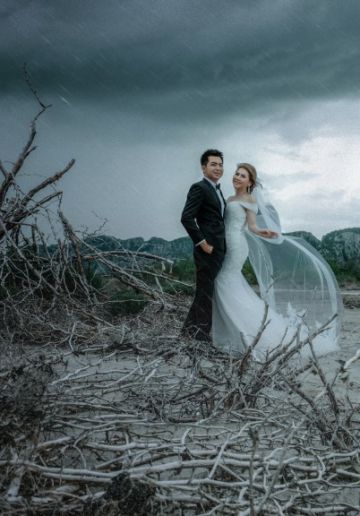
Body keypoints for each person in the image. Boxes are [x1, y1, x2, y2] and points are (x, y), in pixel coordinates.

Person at [212, 163, 342, 359]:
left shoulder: (249, 199)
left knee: (222, 282)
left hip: (237, 246)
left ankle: (247, 335)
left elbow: (253, 226)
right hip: (225, 245)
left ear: (250, 181)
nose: (237, 177)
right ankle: (231, 336)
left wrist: (263, 232)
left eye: (243, 176)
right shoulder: (229, 199)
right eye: (236, 174)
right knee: (227, 284)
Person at [180, 149, 227, 342]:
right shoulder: (199, 188)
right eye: (213, 164)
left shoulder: (217, 189)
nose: (218, 168)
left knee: (205, 292)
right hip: (207, 250)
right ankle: (201, 338)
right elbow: (186, 218)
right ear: (203, 167)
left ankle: (188, 333)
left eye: (220, 164)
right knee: (205, 293)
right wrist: (202, 243)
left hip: (219, 250)